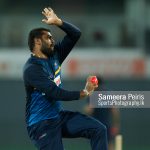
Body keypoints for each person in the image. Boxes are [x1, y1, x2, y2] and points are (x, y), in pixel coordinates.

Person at [23, 7, 108, 150]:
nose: (52, 40)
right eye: (48, 38)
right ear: (37, 42)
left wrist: (58, 22)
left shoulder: (55, 54)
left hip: (58, 116)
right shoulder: (32, 69)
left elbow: (76, 34)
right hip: (41, 124)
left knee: (99, 129)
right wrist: (84, 93)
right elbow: (54, 93)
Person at [84, 77, 120, 150]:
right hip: (106, 125)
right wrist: (116, 124)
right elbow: (115, 111)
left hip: (97, 125)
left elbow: (88, 110)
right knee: (109, 145)